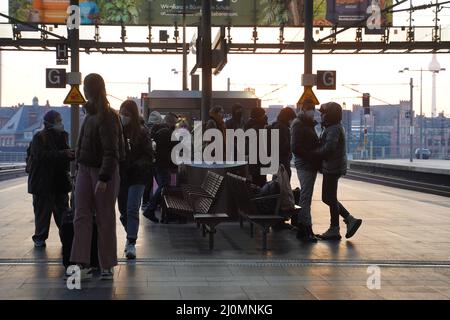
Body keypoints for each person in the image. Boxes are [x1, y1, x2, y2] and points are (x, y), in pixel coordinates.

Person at [71, 73, 125, 280]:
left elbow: (111, 151)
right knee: (81, 216)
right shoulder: (90, 114)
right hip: (85, 170)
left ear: (92, 89)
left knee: (105, 218)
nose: (84, 90)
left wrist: (103, 178)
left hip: (103, 172)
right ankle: (81, 262)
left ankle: (107, 265)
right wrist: (76, 171)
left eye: (86, 86)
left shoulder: (108, 116)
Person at [313, 102, 362, 240]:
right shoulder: (332, 127)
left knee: (329, 198)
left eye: (323, 113)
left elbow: (329, 147)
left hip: (333, 167)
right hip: (332, 166)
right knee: (328, 197)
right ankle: (348, 220)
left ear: (330, 114)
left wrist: (314, 152)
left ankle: (335, 228)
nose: (321, 115)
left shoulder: (333, 129)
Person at [27, 110, 74, 248]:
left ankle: (66, 238)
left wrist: (70, 154)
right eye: (58, 120)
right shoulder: (39, 137)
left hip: (59, 182)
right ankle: (40, 238)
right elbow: (41, 156)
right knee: (42, 213)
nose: (61, 123)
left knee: (64, 213)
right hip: (42, 183)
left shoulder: (63, 136)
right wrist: (63, 154)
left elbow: (64, 155)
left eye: (60, 120)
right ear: (49, 122)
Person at [118, 100, 153, 260]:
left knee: (132, 208)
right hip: (121, 176)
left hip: (137, 176)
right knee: (123, 211)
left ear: (133, 115)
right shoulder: (117, 131)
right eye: (122, 113)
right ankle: (130, 232)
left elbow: (148, 155)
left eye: (127, 114)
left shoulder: (142, 132)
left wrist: (136, 165)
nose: (124, 116)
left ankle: (131, 241)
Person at [291, 99, 320, 242]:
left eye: (313, 108)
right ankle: (306, 228)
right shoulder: (299, 124)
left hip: (310, 164)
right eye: (309, 108)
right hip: (305, 164)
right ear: (302, 109)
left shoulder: (307, 124)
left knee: (306, 196)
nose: (312, 110)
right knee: (305, 197)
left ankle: (303, 227)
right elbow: (296, 147)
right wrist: (312, 156)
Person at [143, 113, 178, 223]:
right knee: (164, 185)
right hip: (163, 165)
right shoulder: (166, 132)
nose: (175, 125)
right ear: (171, 122)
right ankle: (151, 209)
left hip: (157, 164)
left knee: (163, 187)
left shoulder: (159, 131)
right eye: (175, 122)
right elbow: (171, 149)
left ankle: (158, 211)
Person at [141, 111, 163, 211]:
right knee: (159, 182)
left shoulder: (146, 128)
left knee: (148, 183)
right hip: (155, 160)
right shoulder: (159, 129)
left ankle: (145, 202)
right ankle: (154, 203)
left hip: (148, 160)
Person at [268, 107, 296, 179]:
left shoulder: (277, 126)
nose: (292, 121)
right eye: (291, 119)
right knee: (282, 184)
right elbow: (282, 146)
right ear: (288, 118)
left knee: (277, 183)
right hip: (282, 162)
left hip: (278, 161)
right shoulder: (282, 128)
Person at [244, 107, 268, 187]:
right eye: (264, 114)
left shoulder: (249, 126)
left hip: (254, 161)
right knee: (261, 183)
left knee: (256, 182)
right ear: (259, 116)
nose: (265, 116)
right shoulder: (258, 128)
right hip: (259, 161)